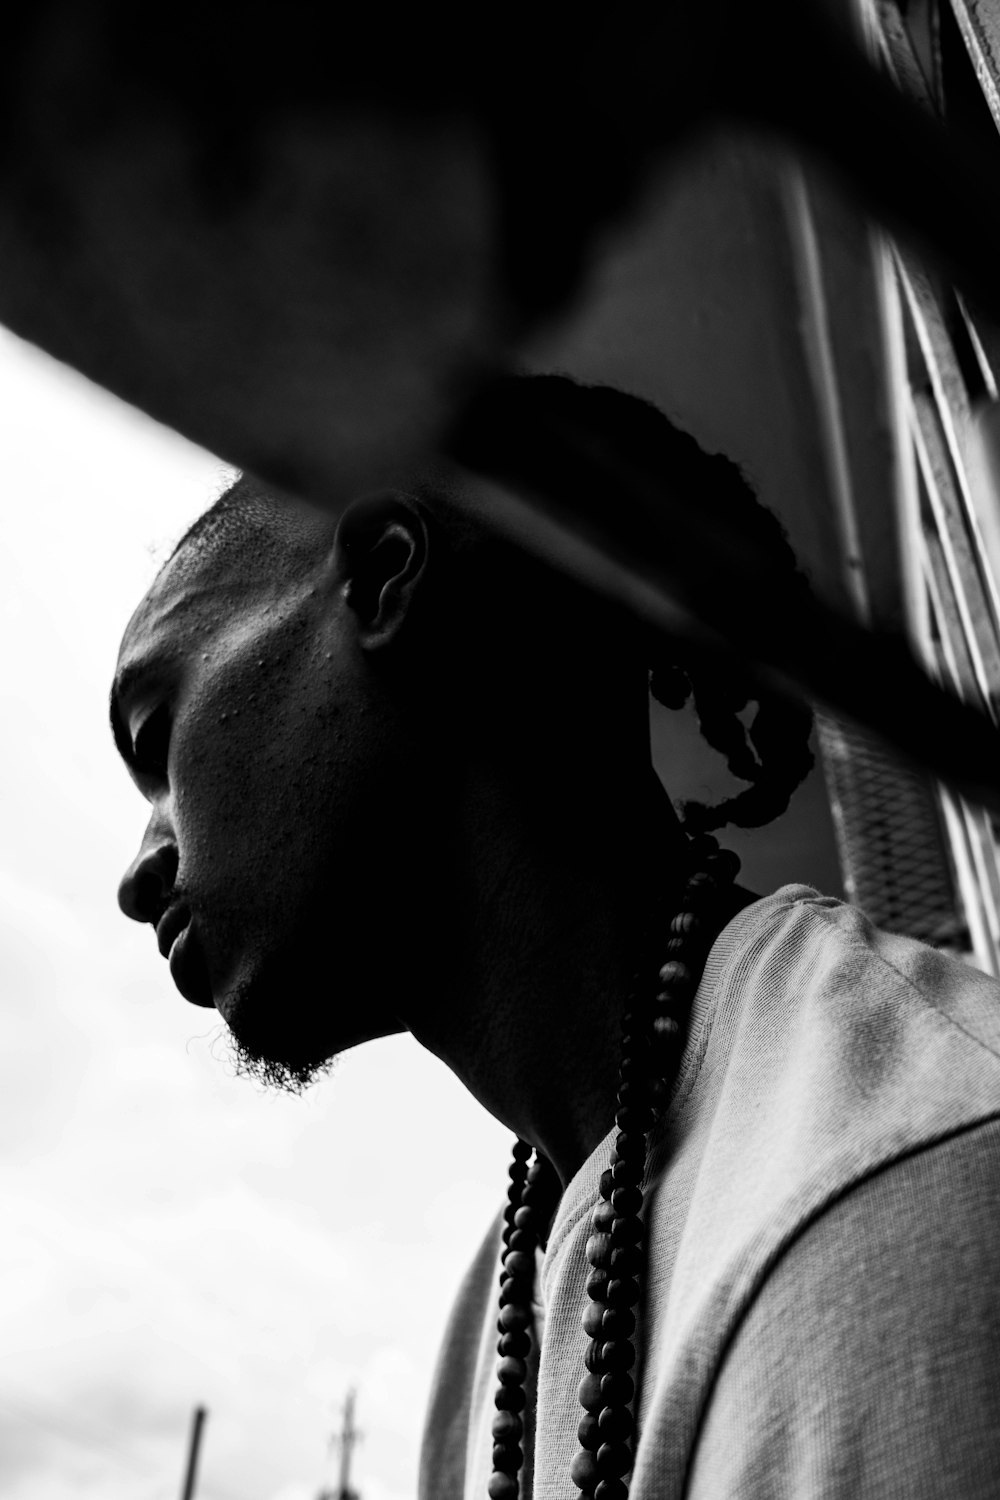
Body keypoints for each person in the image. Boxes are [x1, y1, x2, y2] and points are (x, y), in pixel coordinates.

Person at [112, 377, 1000, 1499]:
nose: (138, 876)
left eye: (154, 736)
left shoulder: (883, 1195)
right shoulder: (490, 1326)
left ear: (385, 575)